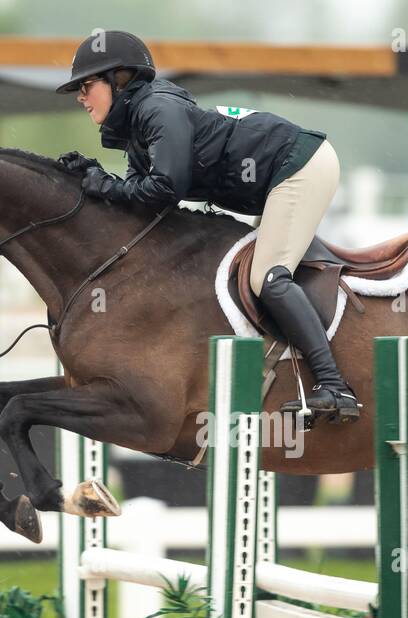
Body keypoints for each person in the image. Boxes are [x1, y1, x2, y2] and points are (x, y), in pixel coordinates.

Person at [56, 30, 359, 423]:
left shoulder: (157, 109)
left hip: (299, 166)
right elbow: (140, 201)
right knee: (246, 277)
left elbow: (165, 188)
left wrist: (106, 185)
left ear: (120, 78)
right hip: (272, 178)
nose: (80, 96)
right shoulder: (139, 125)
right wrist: (95, 183)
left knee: (267, 277)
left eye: (86, 85)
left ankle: (335, 386)